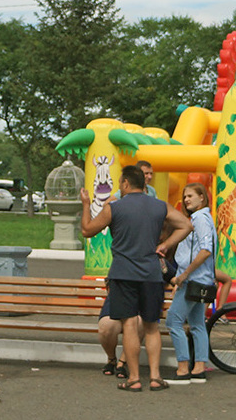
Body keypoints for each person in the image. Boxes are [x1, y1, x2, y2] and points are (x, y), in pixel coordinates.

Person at [80, 163, 190, 392]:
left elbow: (87, 230)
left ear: (126, 183)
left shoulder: (115, 208)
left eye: (121, 182)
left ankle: (134, 378)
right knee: (151, 327)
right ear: (144, 183)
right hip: (151, 274)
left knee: (130, 324)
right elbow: (186, 225)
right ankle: (156, 377)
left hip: (123, 274)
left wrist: (86, 204)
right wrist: (165, 245)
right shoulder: (160, 206)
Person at [165, 182, 216, 384]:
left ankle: (183, 368)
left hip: (193, 279)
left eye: (191, 196)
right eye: (185, 197)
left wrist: (184, 274)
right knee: (197, 324)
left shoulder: (200, 219)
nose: (186, 200)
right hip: (202, 280)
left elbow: (205, 250)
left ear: (202, 197)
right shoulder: (206, 218)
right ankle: (199, 368)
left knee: (173, 321)